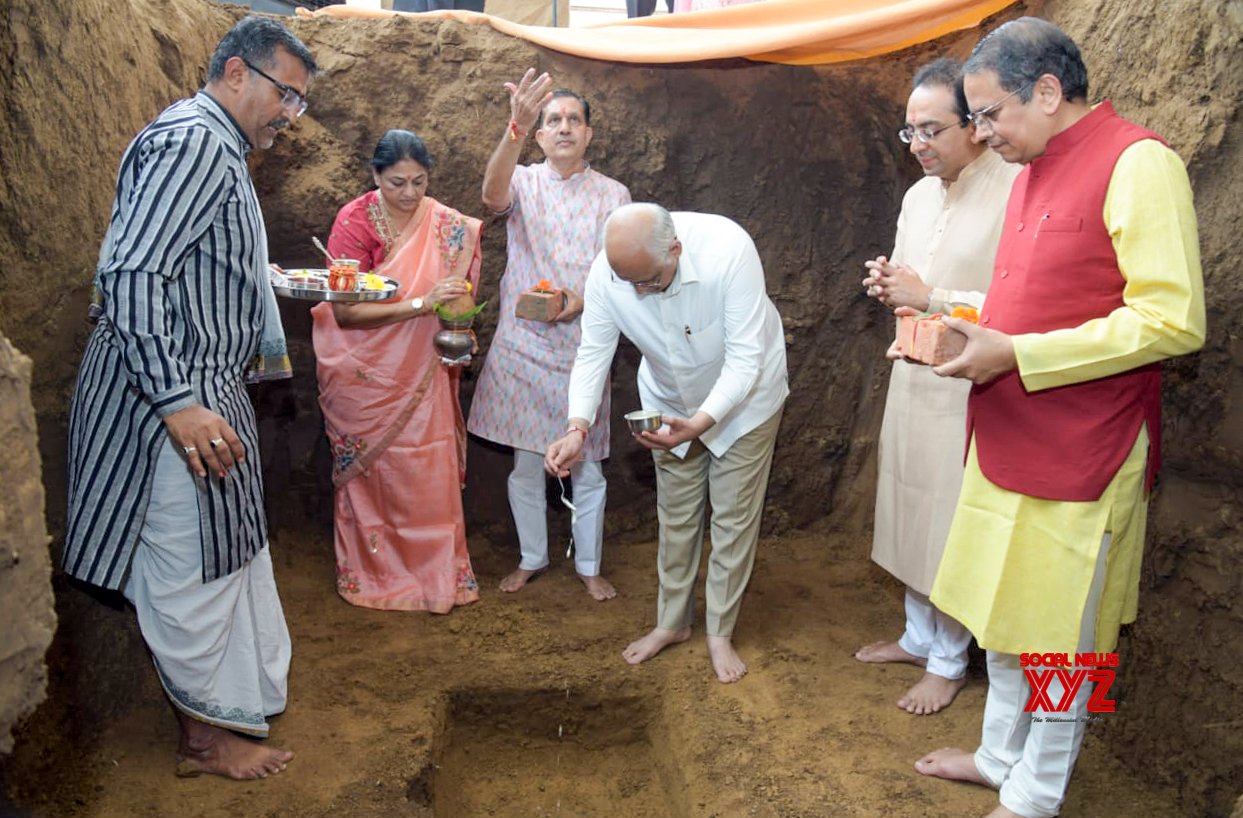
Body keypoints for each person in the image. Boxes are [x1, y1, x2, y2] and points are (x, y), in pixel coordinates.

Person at [912, 18, 1206, 818]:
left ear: (1046, 92)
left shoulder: (1139, 162)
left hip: (1086, 448)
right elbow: (1031, 302)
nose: (982, 133)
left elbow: (1173, 319)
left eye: (989, 114)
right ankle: (996, 754)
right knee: (1004, 610)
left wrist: (1015, 355)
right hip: (1006, 436)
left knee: (1067, 639)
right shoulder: (1029, 166)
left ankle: (1036, 794)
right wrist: (967, 329)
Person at [62, 17, 317, 780]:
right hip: (167, 401)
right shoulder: (194, 143)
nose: (288, 115)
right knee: (189, 564)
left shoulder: (217, 146)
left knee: (225, 552)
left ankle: (221, 717)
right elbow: (132, 276)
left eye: (298, 103)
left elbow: (196, 266)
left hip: (201, 389)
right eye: (285, 96)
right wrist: (176, 401)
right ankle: (204, 741)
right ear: (236, 73)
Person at [545, 203, 788, 684]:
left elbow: (745, 359)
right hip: (667, 400)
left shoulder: (729, 250)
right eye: (626, 281)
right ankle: (672, 623)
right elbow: (594, 352)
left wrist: (700, 423)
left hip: (743, 403)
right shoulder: (609, 274)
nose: (636, 291)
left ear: (675, 250)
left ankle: (720, 630)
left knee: (733, 516)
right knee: (675, 515)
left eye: (647, 281)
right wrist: (577, 427)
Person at [855, 58, 1020, 715]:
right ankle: (918, 636)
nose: (917, 144)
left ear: (976, 127)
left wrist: (935, 296)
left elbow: (1019, 304)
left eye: (931, 129)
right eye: (908, 132)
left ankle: (950, 660)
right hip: (912, 374)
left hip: (967, 385)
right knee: (906, 507)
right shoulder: (917, 196)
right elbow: (911, 285)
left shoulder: (1012, 187)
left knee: (948, 523)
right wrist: (892, 290)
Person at [468, 70, 630, 601]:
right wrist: (514, 125)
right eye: (553, 120)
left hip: (585, 347)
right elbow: (491, 196)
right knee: (524, 465)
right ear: (539, 136)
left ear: (588, 134)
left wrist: (581, 302)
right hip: (523, 348)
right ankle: (532, 558)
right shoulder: (523, 180)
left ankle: (588, 564)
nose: (563, 128)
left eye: (573, 120)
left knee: (587, 467)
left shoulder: (613, 194)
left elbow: (622, 268)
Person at [312, 129, 482, 612]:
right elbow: (344, 312)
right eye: (396, 183)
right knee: (373, 479)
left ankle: (436, 577)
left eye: (419, 182)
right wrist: (419, 304)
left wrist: (456, 316)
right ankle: (374, 577)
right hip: (361, 369)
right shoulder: (352, 222)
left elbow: (461, 299)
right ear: (375, 176)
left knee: (427, 470)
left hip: (424, 367)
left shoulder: (449, 228)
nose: (409, 194)